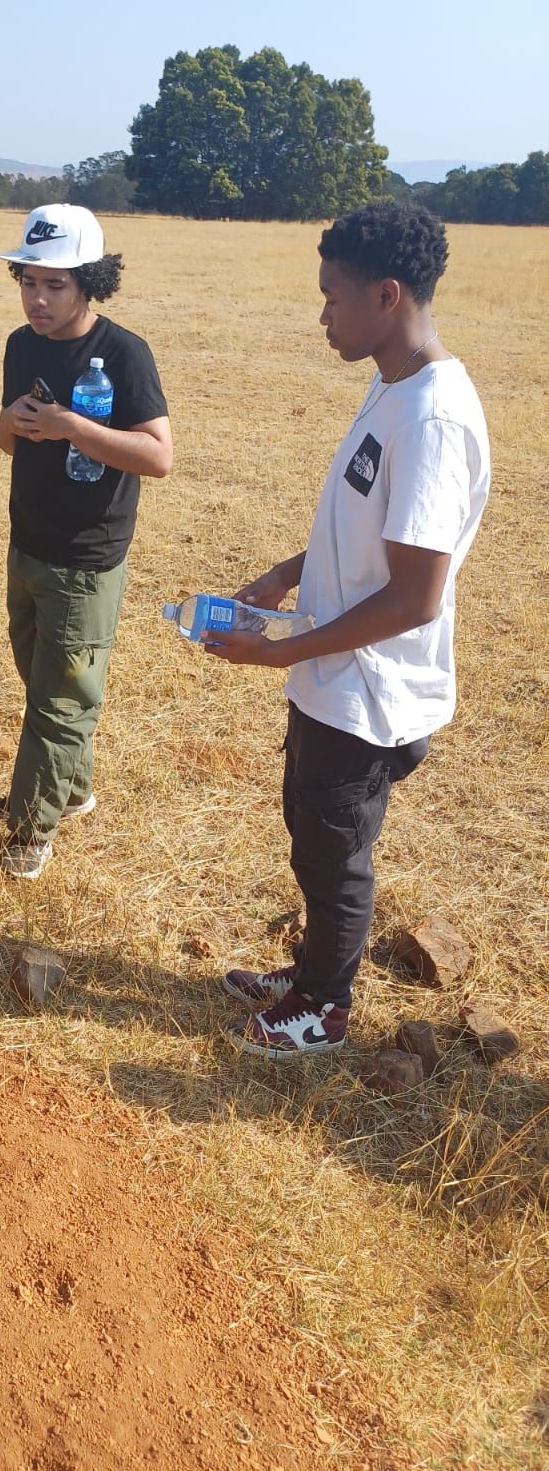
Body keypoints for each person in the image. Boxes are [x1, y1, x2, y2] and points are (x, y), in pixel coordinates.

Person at [204, 199, 490, 1058]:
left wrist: (278, 650)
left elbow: (414, 598)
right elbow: (371, 527)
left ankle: (324, 1008)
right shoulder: (394, 383)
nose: (321, 315)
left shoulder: (432, 418)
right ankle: (309, 971)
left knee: (335, 855)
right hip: (332, 678)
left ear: (388, 296)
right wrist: (289, 574)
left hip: (367, 692)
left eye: (333, 298)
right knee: (311, 834)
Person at [0, 203, 173, 878]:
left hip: (88, 556)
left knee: (58, 699)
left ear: (90, 282)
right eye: (28, 282)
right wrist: (10, 423)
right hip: (28, 541)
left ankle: (30, 829)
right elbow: (6, 440)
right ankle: (72, 790)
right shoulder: (21, 344)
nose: (37, 300)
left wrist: (74, 427)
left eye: (55, 285)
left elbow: (158, 457)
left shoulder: (125, 355)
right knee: (46, 681)